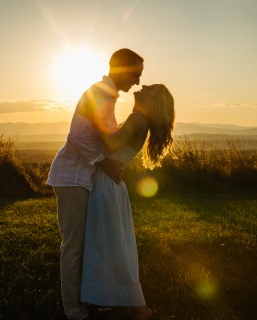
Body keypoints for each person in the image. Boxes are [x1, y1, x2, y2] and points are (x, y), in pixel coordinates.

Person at [47, 48, 144, 320]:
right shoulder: (99, 93)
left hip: (84, 179)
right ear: (123, 70)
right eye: (136, 74)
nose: (137, 81)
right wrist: (104, 161)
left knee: (87, 245)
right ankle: (74, 311)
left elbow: (105, 136)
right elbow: (77, 135)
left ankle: (89, 299)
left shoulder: (107, 95)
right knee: (74, 247)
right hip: (72, 178)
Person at [81, 84, 175, 320]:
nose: (142, 86)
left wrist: (95, 115)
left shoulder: (136, 119)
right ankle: (125, 305)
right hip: (112, 184)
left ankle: (137, 308)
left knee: (112, 247)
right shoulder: (139, 120)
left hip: (106, 185)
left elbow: (112, 144)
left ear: (152, 100)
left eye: (148, 88)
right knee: (114, 246)